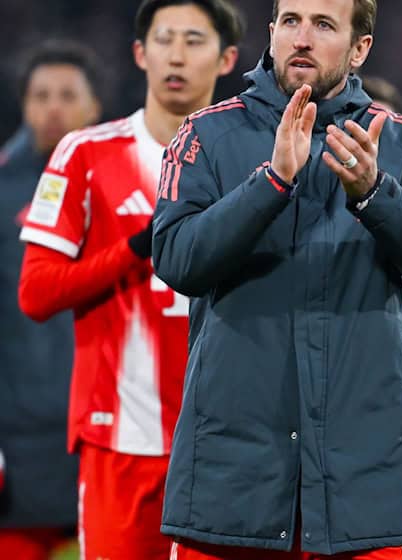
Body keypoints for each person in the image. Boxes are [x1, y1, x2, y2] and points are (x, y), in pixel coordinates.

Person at [151, 0, 402, 557]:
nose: (302, 37)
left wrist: (375, 193)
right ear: (272, 32)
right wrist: (271, 182)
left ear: (359, 48)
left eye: (324, 25)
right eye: (291, 21)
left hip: (362, 485)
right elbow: (176, 258)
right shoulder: (205, 134)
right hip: (234, 479)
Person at [17, 2, 242, 558]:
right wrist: (138, 248)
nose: (176, 55)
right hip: (121, 439)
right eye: (164, 39)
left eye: (194, 40)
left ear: (227, 59)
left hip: (228, 444)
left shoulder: (257, 163)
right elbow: (36, 293)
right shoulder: (85, 154)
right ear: (141, 53)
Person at [0, 39, 101, 560]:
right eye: (41, 96)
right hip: (19, 431)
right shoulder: (2, 190)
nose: (53, 108)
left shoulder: (123, 183)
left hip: (102, 422)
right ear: (24, 105)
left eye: (67, 95)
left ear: (94, 106)